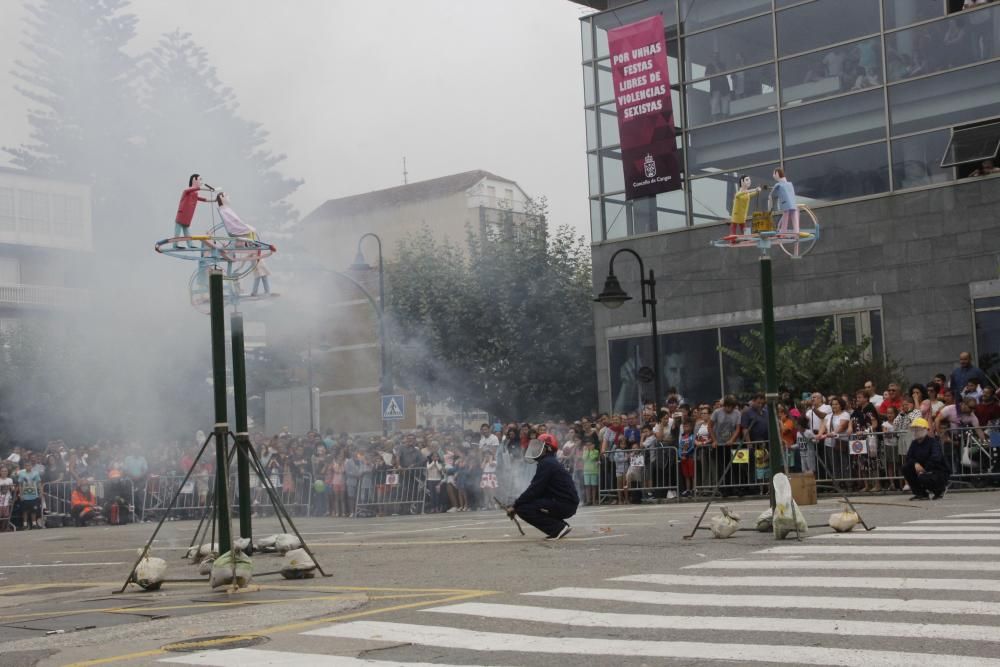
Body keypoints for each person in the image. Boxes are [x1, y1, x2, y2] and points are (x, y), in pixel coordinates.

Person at [509, 434, 577, 539]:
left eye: (539, 446)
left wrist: (515, 505)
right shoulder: (549, 462)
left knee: (523, 508)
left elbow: (534, 489)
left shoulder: (547, 463)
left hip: (564, 504)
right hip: (565, 503)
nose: (534, 448)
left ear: (547, 449)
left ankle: (558, 528)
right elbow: (538, 490)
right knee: (527, 504)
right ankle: (561, 526)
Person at [902, 417, 950, 500]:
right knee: (906, 467)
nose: (915, 431)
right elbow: (909, 458)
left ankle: (939, 491)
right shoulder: (914, 443)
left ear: (925, 429)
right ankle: (921, 493)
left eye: (918, 429)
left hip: (937, 471)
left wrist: (924, 469)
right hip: (921, 470)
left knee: (923, 477)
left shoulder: (933, 442)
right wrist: (915, 463)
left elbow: (936, 458)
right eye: (914, 429)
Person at [174, 174, 215, 248]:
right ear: (194, 180)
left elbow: (203, 199)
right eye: (200, 179)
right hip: (182, 214)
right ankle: (175, 244)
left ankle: (190, 244)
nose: (201, 181)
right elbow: (188, 190)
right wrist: (201, 188)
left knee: (186, 231)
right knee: (178, 231)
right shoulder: (187, 191)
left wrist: (214, 200)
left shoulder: (195, 194)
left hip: (187, 217)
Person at [768, 168, 800, 255]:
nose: (773, 176)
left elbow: (771, 194)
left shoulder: (778, 185)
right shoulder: (789, 184)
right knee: (794, 218)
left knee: (785, 218)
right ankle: (796, 232)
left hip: (786, 204)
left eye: (774, 174)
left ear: (777, 174)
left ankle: (783, 233)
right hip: (793, 203)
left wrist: (770, 205)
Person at [16, 459, 42, 529]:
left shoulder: (36, 473)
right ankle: (25, 524)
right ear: (25, 466)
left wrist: (40, 493)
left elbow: (39, 483)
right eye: (26, 465)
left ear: (31, 466)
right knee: (25, 511)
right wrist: (21, 495)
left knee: (34, 510)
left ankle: (34, 524)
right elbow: (20, 485)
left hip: (34, 495)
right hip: (25, 495)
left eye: (29, 465)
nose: (28, 467)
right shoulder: (22, 474)